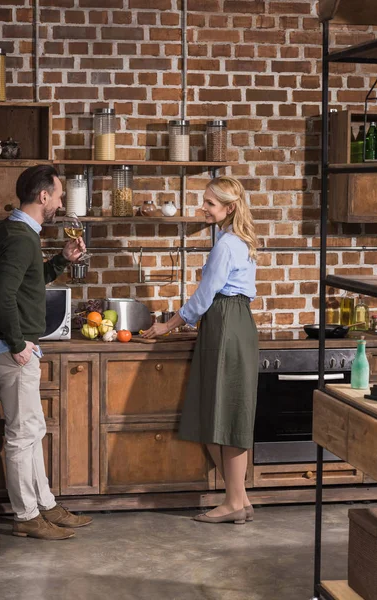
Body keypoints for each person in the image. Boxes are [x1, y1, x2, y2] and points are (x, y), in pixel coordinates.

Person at [142, 176, 259, 524]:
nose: (203, 208)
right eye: (204, 201)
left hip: (226, 321)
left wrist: (167, 325)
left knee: (226, 414)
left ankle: (234, 502)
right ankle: (240, 499)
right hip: (231, 322)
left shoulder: (225, 245)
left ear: (229, 207)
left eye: (210, 203)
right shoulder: (235, 240)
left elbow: (204, 297)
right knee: (218, 412)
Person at [0, 165, 93, 540]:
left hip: (15, 347)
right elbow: (2, 296)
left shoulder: (17, 232)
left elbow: (27, 286)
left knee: (32, 431)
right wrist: (18, 343)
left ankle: (45, 505)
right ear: (43, 197)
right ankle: (26, 516)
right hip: (12, 351)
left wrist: (62, 260)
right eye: (60, 195)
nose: (62, 202)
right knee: (23, 434)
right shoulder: (20, 238)